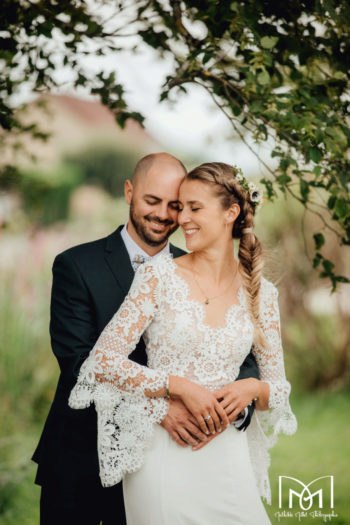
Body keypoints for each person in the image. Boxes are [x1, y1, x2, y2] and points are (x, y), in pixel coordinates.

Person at [32, 153, 260, 525]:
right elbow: (78, 363)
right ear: (129, 192)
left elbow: (239, 344)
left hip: (176, 458)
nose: (165, 215)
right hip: (82, 455)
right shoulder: (77, 264)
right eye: (152, 201)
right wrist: (159, 407)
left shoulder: (200, 265)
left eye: (176, 205)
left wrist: (238, 402)